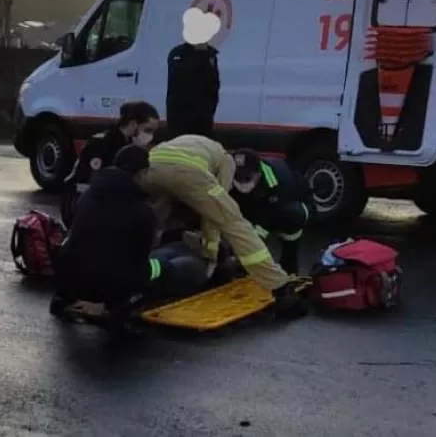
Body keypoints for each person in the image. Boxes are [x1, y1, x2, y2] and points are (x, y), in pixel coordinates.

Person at [138, 133, 308, 318]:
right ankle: (280, 287)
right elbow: (214, 217)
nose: (240, 184)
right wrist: (211, 253)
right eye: (239, 179)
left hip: (151, 166)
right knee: (234, 223)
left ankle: (134, 268)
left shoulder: (194, 144)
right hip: (186, 173)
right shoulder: (226, 162)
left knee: (152, 216)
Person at [51, 144, 209, 321]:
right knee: (172, 266)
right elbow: (139, 260)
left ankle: (68, 298)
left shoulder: (90, 194)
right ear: (142, 174)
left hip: (71, 278)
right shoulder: (140, 210)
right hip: (106, 285)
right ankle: (123, 305)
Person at [59, 101, 159, 227]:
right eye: (148, 130)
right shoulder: (101, 143)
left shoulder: (128, 145)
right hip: (81, 203)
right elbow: (96, 182)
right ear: (133, 124)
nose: (150, 136)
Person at [231, 149, 314, 276]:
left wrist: (251, 244)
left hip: (290, 205)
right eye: (237, 177)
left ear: (258, 174)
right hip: (258, 204)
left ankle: (289, 264)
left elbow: (267, 217)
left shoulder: (277, 179)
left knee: (291, 216)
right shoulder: (226, 175)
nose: (241, 183)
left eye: (246, 178)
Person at [165, 36, 220, 138]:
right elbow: (181, 81)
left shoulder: (211, 55)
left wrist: (209, 110)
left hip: (203, 117)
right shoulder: (178, 54)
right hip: (180, 117)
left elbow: (214, 85)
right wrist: (201, 55)